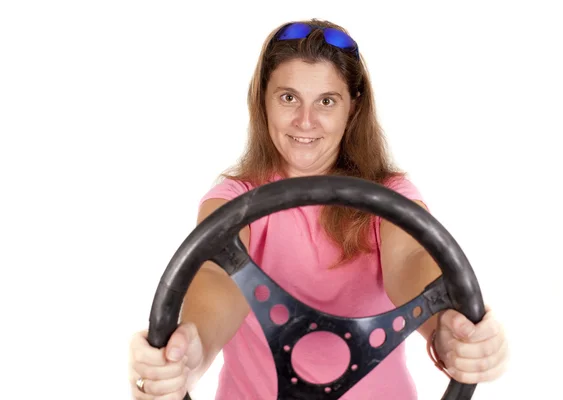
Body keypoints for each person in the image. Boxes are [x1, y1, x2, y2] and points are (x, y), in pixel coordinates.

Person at [128, 18, 509, 399]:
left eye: (326, 101)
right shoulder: (230, 200)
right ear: (263, 100)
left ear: (352, 107)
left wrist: (451, 332)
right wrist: (189, 355)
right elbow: (215, 278)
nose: (305, 121)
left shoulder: (391, 197)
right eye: (288, 98)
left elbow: (412, 259)